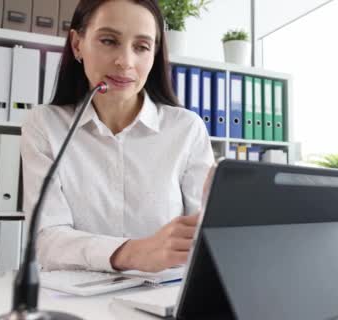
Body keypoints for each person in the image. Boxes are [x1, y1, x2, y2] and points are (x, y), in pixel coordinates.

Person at [21, 0, 214, 273]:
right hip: (75, 300)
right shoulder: (45, 124)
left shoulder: (187, 128)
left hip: (163, 298)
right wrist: (132, 253)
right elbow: (46, 238)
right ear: (77, 45)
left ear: (154, 54)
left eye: (142, 47)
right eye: (109, 41)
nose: (125, 62)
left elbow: (202, 236)